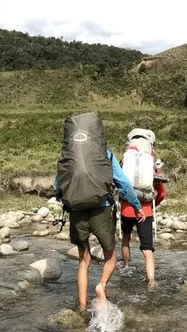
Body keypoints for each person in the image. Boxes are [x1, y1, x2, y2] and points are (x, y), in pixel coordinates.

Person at [55, 113, 145, 315]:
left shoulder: (67, 156)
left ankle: (81, 307)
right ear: (97, 133)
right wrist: (136, 205)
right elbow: (123, 184)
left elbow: (58, 184)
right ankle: (101, 285)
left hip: (77, 211)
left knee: (83, 261)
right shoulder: (105, 154)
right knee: (110, 257)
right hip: (102, 208)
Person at [120, 178, 166, 289]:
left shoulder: (126, 162)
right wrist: (151, 204)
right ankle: (151, 280)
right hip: (145, 211)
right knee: (147, 249)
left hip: (127, 209)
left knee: (126, 237)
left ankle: (126, 266)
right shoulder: (150, 165)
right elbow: (162, 193)